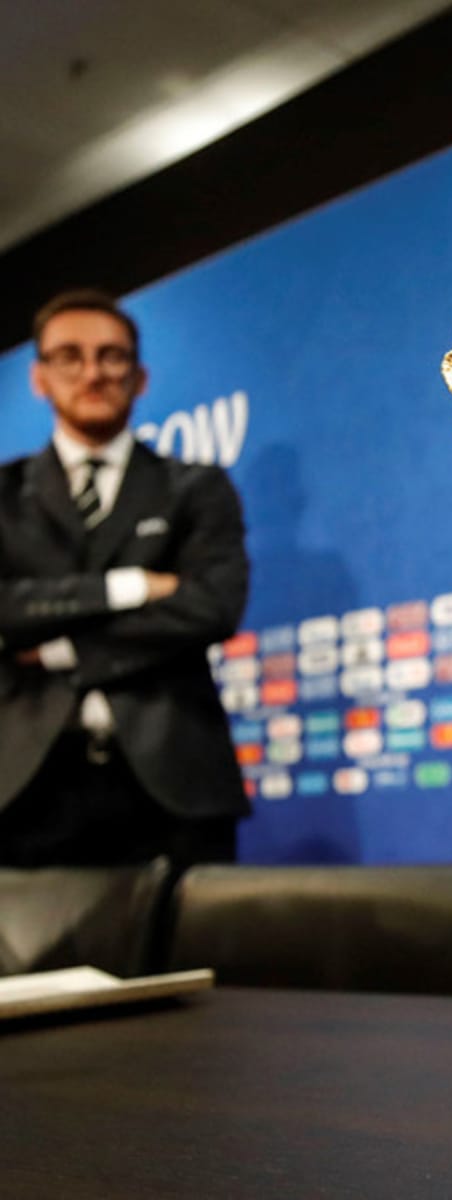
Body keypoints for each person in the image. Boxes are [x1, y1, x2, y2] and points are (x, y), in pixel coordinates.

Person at [0, 289, 250, 867]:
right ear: (39, 377)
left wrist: (60, 648)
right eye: (70, 356)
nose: (92, 373)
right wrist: (130, 587)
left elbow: (213, 606)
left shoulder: (196, 487)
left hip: (177, 790)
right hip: (24, 790)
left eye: (111, 356)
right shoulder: (4, 496)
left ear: (139, 378)